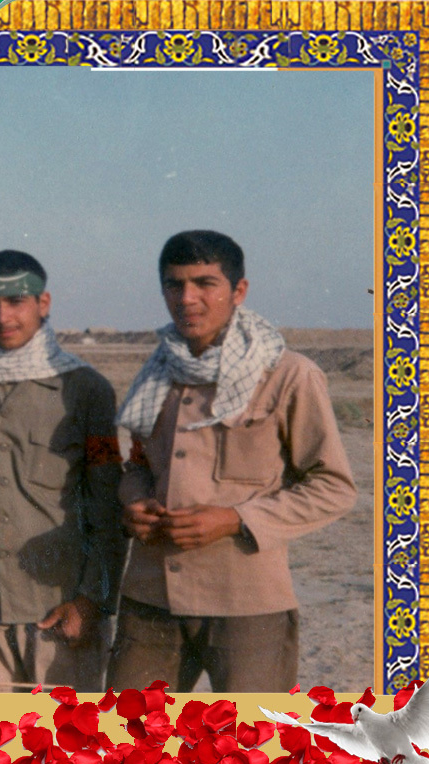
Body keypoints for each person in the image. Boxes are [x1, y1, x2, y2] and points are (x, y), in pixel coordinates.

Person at [108, 230, 358, 693]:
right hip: (151, 597)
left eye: (205, 283)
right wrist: (135, 501)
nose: (187, 298)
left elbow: (334, 486)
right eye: (174, 284)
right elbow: (139, 465)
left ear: (238, 291)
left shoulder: (288, 375)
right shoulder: (157, 373)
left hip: (247, 601)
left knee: (252, 738)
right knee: (126, 732)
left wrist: (235, 519)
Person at [0, 250, 125, 693]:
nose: (2, 316)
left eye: (16, 301)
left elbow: (108, 506)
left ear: (43, 303)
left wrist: (92, 599)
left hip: (59, 604)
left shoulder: (87, 390)